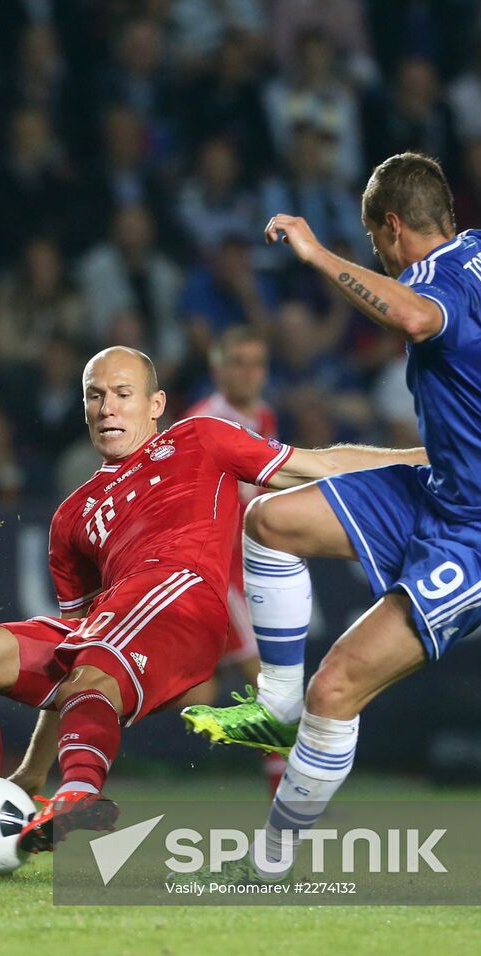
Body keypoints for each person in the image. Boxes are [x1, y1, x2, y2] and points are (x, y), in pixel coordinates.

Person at [181, 151, 481, 881]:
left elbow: (412, 316)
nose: (380, 254)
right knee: (270, 523)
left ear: (393, 227)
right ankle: (274, 702)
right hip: (440, 486)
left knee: (336, 687)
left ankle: (272, 857)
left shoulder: (429, 279)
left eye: (376, 241)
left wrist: (317, 253)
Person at [0, 345, 428, 878]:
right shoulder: (71, 517)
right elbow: (72, 664)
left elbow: (319, 466)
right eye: (95, 396)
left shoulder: (199, 438)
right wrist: (29, 774)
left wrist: (424, 457)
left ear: (155, 403)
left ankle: (81, 794)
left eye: (121, 394)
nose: (107, 407)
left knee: (100, 654)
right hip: (118, 629)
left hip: (184, 600)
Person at [182, 327, 286, 794]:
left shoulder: (262, 415)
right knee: (272, 680)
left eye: (256, 362)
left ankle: (87, 719)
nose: (248, 372)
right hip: (218, 572)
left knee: (197, 691)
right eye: (238, 361)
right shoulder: (203, 423)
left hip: (248, 569)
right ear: (217, 368)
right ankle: (290, 800)